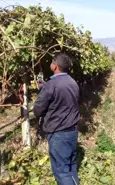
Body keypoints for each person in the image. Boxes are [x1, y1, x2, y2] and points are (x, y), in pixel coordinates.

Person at [33, 52, 80, 185]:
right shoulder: (72, 82)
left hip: (58, 132)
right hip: (72, 130)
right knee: (71, 165)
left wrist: (43, 91)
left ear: (55, 66)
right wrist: (44, 88)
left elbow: (38, 110)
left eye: (52, 62)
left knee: (61, 170)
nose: (51, 64)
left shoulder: (50, 85)